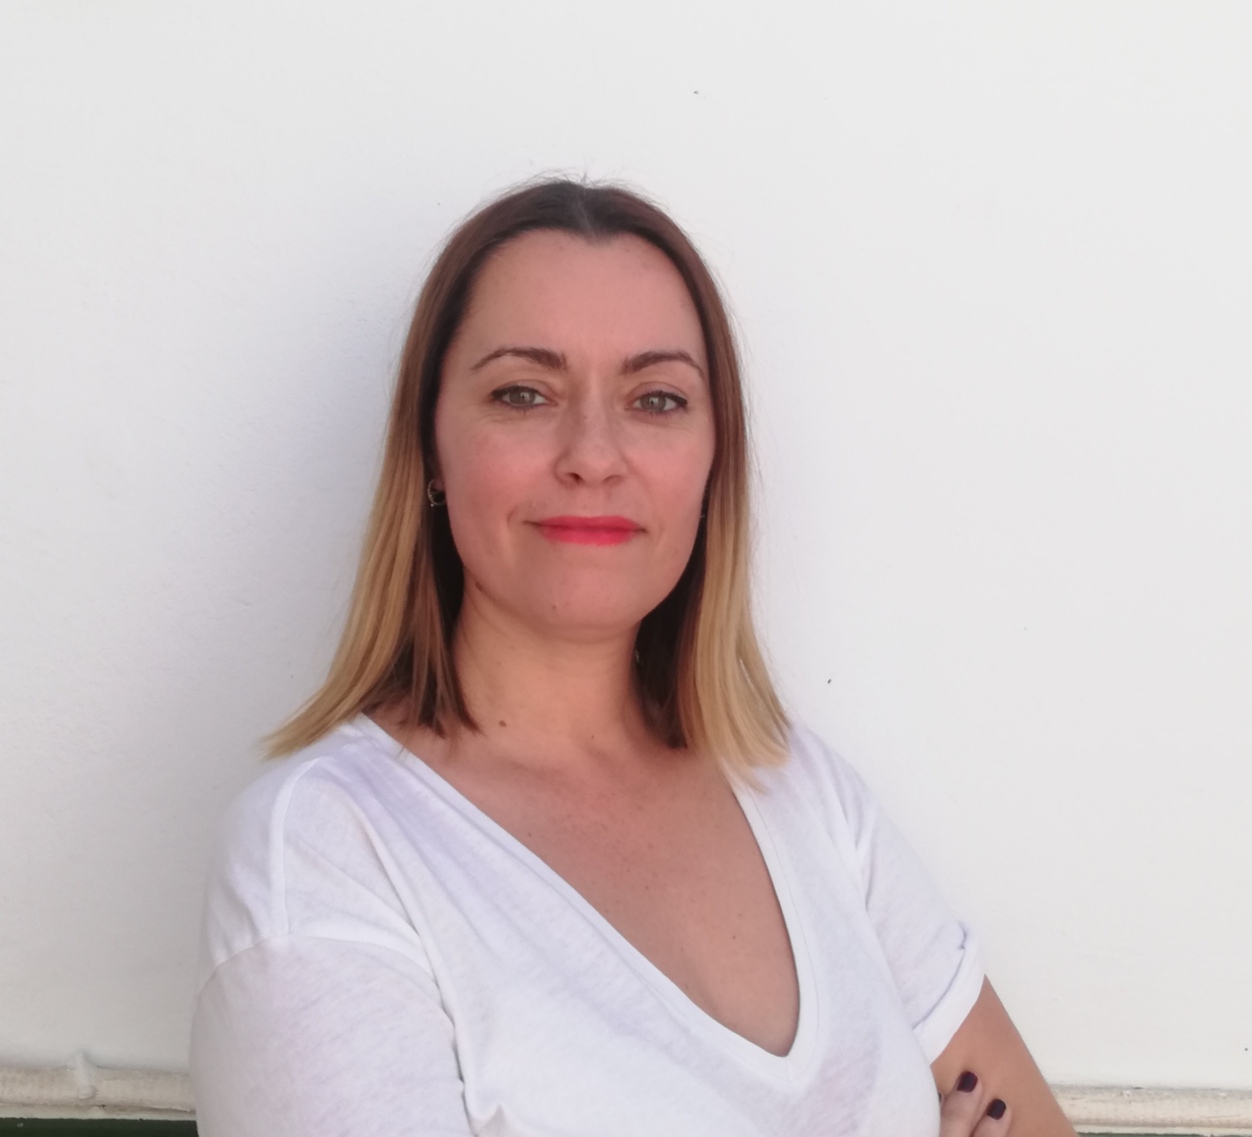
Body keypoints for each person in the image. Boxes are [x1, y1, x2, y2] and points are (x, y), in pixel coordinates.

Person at [190, 180, 1078, 1137]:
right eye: (523, 393)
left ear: (712, 460)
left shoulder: (801, 792)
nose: (593, 453)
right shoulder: (325, 852)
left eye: (656, 399)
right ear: (432, 449)